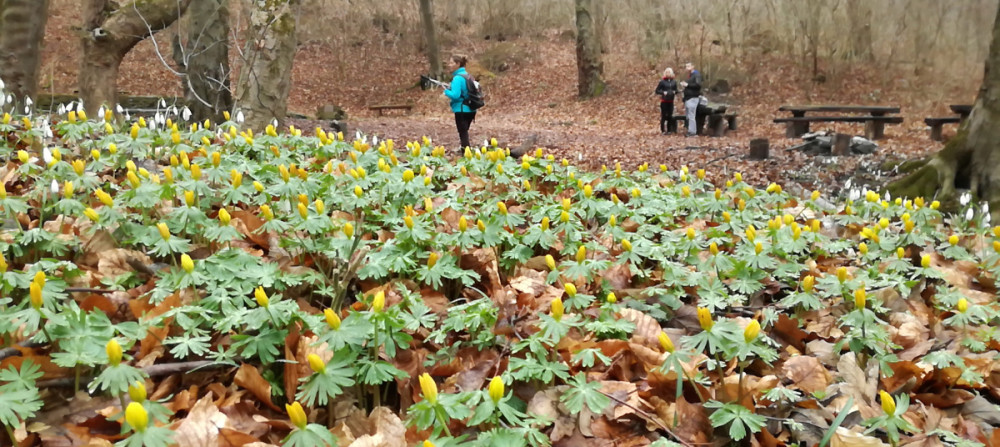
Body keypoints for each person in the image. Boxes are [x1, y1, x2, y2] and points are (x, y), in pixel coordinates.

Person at [443, 54, 476, 150]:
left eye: (451, 62)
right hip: (471, 109)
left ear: (458, 64)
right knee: (464, 132)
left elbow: (455, 95)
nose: (449, 65)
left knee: (463, 134)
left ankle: (466, 155)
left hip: (461, 109)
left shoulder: (457, 78)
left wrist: (446, 91)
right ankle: (466, 152)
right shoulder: (469, 76)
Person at [680, 62, 703, 137]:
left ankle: (692, 132)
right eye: (686, 66)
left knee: (691, 115)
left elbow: (698, 85)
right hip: (687, 97)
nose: (687, 68)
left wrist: (688, 85)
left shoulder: (696, 74)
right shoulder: (690, 76)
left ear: (693, 66)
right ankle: (690, 130)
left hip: (693, 97)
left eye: (689, 66)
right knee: (688, 116)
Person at [654, 67, 679, 134]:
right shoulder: (662, 82)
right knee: (664, 115)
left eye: (669, 72)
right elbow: (657, 91)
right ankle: (663, 130)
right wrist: (663, 92)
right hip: (664, 101)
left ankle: (669, 130)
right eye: (666, 72)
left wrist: (674, 92)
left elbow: (676, 90)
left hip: (671, 101)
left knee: (670, 116)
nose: (668, 73)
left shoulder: (674, 82)